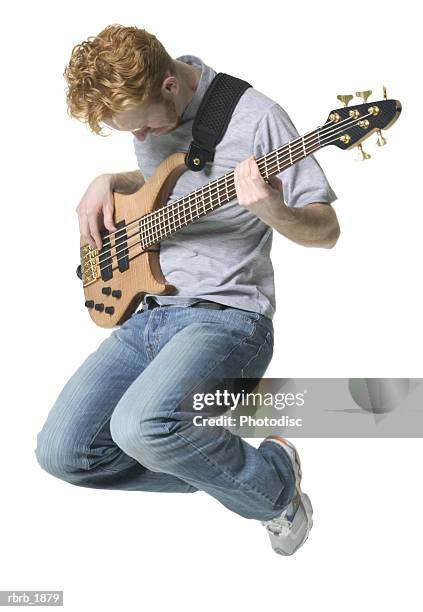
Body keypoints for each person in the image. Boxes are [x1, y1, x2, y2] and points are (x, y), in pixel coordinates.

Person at [35, 24, 340, 556]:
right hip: (147, 317)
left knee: (140, 427)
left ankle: (274, 486)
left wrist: (273, 210)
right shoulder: (153, 112)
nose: (145, 139)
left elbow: (327, 229)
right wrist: (108, 180)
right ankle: (233, 474)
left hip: (226, 317)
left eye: (143, 127)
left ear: (170, 86)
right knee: (64, 453)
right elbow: (161, 180)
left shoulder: (258, 119)